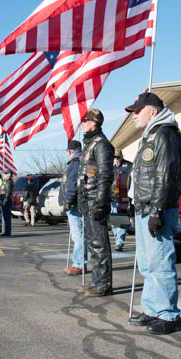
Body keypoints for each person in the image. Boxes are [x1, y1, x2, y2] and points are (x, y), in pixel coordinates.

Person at [124, 92, 181, 335]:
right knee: (147, 264)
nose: (134, 116)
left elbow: (166, 175)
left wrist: (157, 211)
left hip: (157, 208)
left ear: (152, 110)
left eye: (137, 111)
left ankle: (168, 315)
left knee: (160, 262)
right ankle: (152, 309)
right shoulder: (151, 135)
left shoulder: (165, 134)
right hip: (144, 206)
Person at [77, 109, 114, 297]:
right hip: (87, 199)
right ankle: (96, 281)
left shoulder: (102, 146)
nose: (82, 123)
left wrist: (100, 202)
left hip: (95, 201)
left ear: (94, 123)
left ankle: (104, 284)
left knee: (99, 243)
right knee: (92, 243)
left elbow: (105, 176)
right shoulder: (89, 145)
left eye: (85, 121)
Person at [62, 140, 85, 276]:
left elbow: (72, 183)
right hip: (77, 202)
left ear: (70, 151)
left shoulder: (75, 163)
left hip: (75, 203)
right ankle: (80, 263)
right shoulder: (79, 161)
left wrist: (69, 200)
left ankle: (78, 264)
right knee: (80, 234)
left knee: (78, 235)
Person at [110, 150, 128, 251]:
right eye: (114, 158)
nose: (116, 160)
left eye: (118, 157)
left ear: (121, 157)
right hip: (112, 198)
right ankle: (117, 238)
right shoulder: (110, 169)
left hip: (123, 197)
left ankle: (119, 242)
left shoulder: (128, 166)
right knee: (114, 221)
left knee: (121, 219)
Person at [0, 170, 14, 236]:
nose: (4, 175)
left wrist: (5, 200)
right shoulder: (6, 181)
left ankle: (7, 232)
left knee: (7, 217)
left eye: (6, 173)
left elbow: (8, 192)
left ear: (9, 174)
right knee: (5, 217)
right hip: (4, 199)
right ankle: (6, 231)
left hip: (7, 201)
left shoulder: (9, 182)